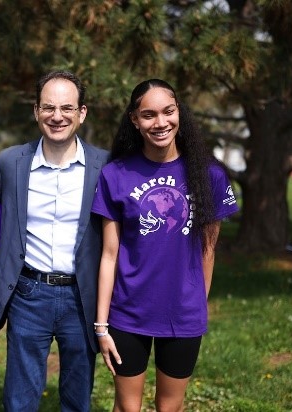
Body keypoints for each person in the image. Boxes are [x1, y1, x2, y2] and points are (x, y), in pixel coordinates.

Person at [91, 79, 239, 411]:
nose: (160, 123)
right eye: (149, 114)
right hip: (128, 312)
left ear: (179, 113)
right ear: (134, 120)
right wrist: (102, 325)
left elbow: (208, 250)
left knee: (169, 406)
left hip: (182, 313)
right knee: (127, 407)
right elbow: (110, 254)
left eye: (168, 112)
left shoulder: (209, 175)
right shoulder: (116, 174)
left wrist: (196, 306)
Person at [0, 70, 110, 411]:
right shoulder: (11, 162)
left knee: (77, 395)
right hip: (28, 293)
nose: (57, 116)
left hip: (81, 295)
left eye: (67, 108)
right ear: (36, 110)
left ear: (82, 113)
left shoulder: (105, 165)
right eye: (49, 107)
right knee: (20, 397)